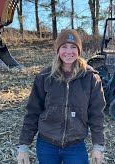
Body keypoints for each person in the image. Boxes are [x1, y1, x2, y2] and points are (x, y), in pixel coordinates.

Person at [16, 29, 106, 164]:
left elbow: (97, 114)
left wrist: (98, 146)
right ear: (58, 49)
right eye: (64, 46)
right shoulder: (44, 77)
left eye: (73, 47)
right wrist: (23, 146)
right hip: (47, 144)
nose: (68, 51)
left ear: (79, 50)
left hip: (75, 145)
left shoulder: (90, 78)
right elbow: (33, 112)